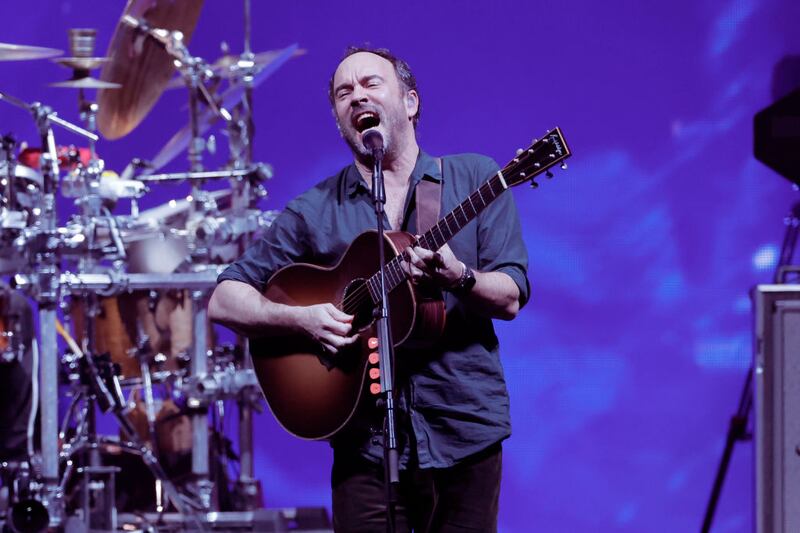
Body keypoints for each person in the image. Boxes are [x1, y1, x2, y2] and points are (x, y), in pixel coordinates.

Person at [208, 46, 529, 532]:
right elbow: (224, 297)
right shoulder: (315, 209)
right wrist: (303, 318)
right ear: (340, 121)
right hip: (366, 447)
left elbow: (509, 295)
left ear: (411, 102)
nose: (356, 96)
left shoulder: (476, 178)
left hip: (465, 432)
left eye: (370, 84)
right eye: (344, 92)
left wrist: (458, 277)